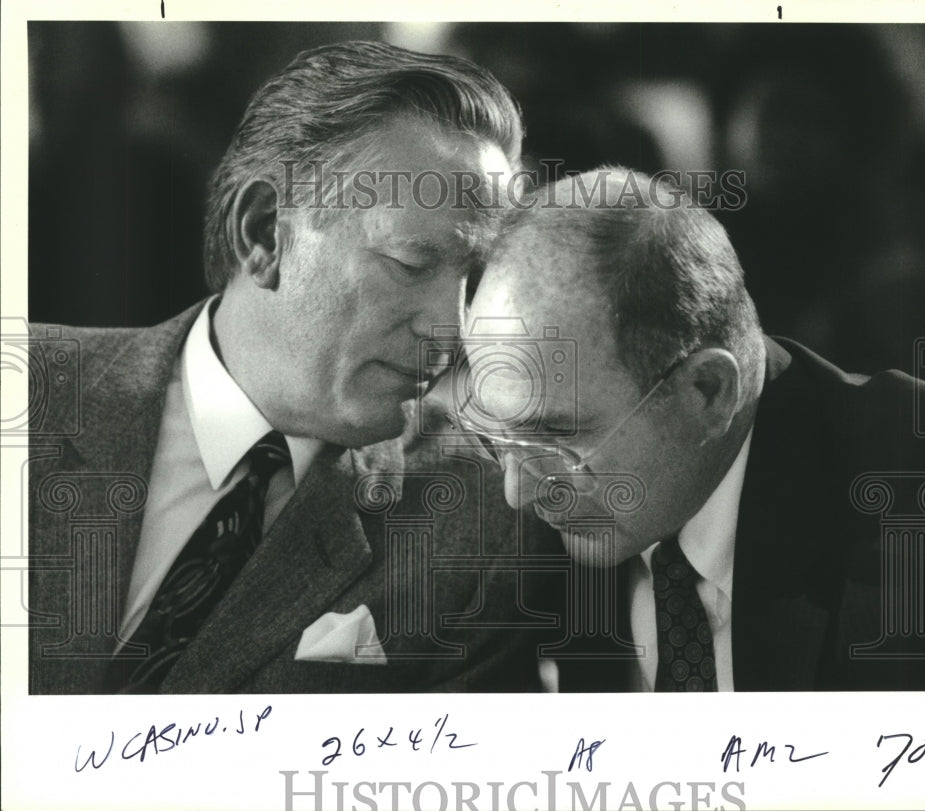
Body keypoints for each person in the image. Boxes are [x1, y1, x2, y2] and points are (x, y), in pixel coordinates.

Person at [27, 40, 562, 694]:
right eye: (411, 264)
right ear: (262, 234)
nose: (453, 332)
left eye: (475, 282)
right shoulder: (29, 394)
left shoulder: (480, 528)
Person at [456, 168, 925, 691]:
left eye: (556, 434)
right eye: (497, 435)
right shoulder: (504, 535)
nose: (517, 491)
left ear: (708, 391)